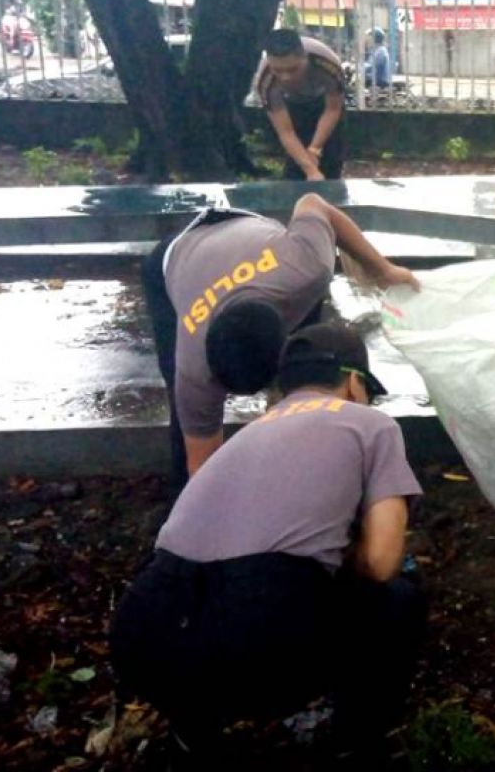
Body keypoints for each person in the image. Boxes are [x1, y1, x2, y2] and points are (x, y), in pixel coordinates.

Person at [111, 322, 426, 765]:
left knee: (210, 628)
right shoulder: (371, 425)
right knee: (399, 598)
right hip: (256, 636)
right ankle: (357, 745)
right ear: (355, 382)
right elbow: (380, 561)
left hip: (143, 630)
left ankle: (192, 737)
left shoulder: (249, 435)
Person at [140, 195, 418, 491]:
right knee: (185, 411)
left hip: (254, 239)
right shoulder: (194, 369)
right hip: (174, 257)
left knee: (307, 379)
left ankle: (296, 462)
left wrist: (383, 270)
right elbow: (201, 468)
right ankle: (177, 507)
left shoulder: (306, 265)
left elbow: (314, 203)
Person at [255, 29, 347, 181]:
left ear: (305, 57)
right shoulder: (266, 81)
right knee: (297, 167)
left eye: (292, 69)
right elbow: (286, 132)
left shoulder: (328, 65)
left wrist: (315, 149)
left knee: (332, 157)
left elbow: (333, 109)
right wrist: (310, 170)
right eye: (277, 70)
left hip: (324, 104)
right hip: (292, 107)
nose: (285, 77)